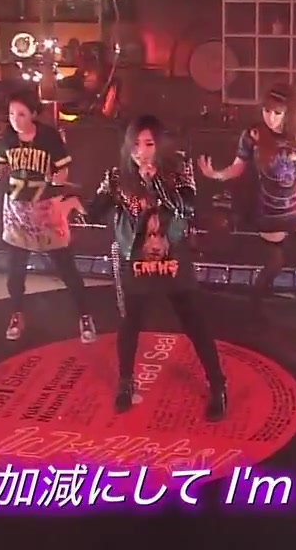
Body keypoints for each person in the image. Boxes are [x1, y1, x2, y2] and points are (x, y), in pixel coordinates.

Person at [67, 115, 227, 422]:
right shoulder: (117, 176)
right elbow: (95, 210)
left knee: (193, 320)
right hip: (134, 258)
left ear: (159, 145)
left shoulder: (178, 168)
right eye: (136, 145)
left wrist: (156, 183)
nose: (141, 151)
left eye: (149, 144)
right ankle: (126, 382)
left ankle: (218, 384)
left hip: (173, 254)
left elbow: (187, 207)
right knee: (130, 321)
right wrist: (73, 203)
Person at [197, 84, 296, 341]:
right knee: (275, 263)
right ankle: (253, 310)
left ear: (288, 113)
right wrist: (215, 174)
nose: (270, 117)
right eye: (266, 110)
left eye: (277, 113)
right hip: (271, 210)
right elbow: (237, 168)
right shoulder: (252, 135)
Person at [0, 88, 95, 343]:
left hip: (45, 210)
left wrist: (57, 179)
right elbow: (1, 166)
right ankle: (16, 313)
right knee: (15, 270)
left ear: (33, 113)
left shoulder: (49, 137)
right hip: (16, 210)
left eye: (21, 114)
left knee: (66, 267)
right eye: (11, 114)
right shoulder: (9, 137)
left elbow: (63, 171)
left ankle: (85, 315)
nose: (15, 120)